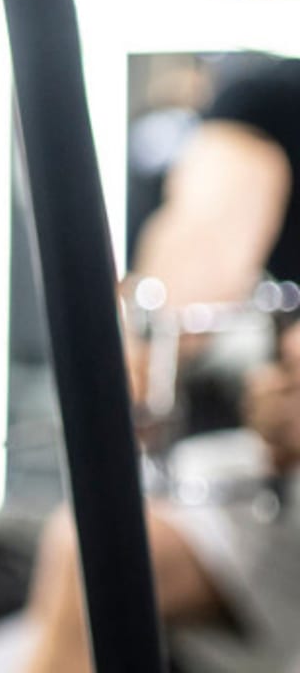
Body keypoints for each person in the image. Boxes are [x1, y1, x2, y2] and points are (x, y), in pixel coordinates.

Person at [26, 57, 300, 673]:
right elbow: (201, 249)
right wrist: (143, 359)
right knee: (93, 551)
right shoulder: (275, 102)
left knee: (97, 553)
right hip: (274, 484)